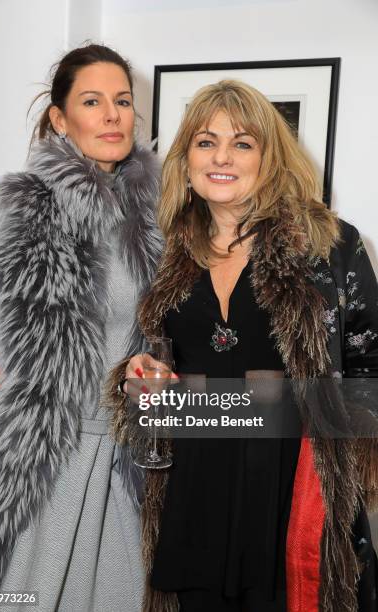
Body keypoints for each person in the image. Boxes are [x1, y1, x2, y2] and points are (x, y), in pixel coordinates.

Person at [108, 80, 378, 611]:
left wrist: (333, 447)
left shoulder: (329, 244)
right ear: (185, 159)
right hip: (191, 490)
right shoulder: (162, 253)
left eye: (243, 143)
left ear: (269, 157)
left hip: (291, 489)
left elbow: (370, 367)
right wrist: (138, 378)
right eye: (206, 142)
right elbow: (150, 368)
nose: (222, 157)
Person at [0, 43, 162, 611]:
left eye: (122, 101)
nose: (111, 115)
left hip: (121, 454)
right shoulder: (28, 205)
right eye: (93, 101)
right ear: (60, 118)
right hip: (37, 456)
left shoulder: (155, 212)